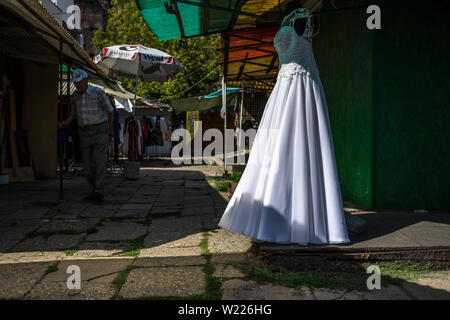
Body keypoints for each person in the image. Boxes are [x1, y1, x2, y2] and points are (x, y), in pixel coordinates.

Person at [218, 4, 350, 245]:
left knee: (295, 145)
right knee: (279, 148)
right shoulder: (295, 21)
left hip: (297, 87)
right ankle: (281, 212)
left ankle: (293, 215)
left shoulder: (298, 21)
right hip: (290, 86)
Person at [59, 69, 114, 202]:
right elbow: (74, 113)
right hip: (84, 132)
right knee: (87, 164)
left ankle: (99, 191)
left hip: (100, 129)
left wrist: (111, 128)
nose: (78, 86)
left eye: (79, 83)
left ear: (86, 80)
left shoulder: (98, 92)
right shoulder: (75, 95)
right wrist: (66, 122)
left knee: (99, 161)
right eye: (76, 83)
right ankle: (93, 190)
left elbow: (110, 111)